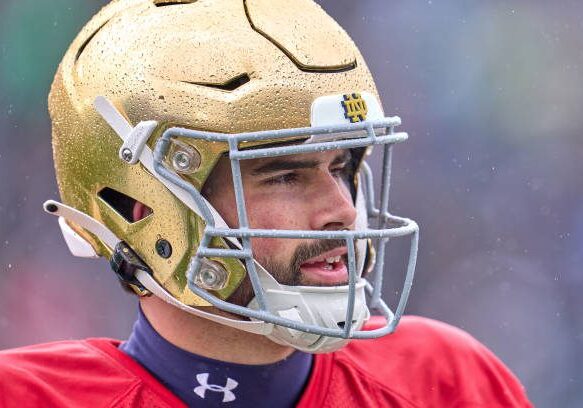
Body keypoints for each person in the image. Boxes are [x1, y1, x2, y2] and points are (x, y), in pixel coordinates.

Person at [0, 0, 532, 406]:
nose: (342, 209)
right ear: (143, 208)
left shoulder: (445, 379)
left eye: (342, 167)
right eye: (285, 175)